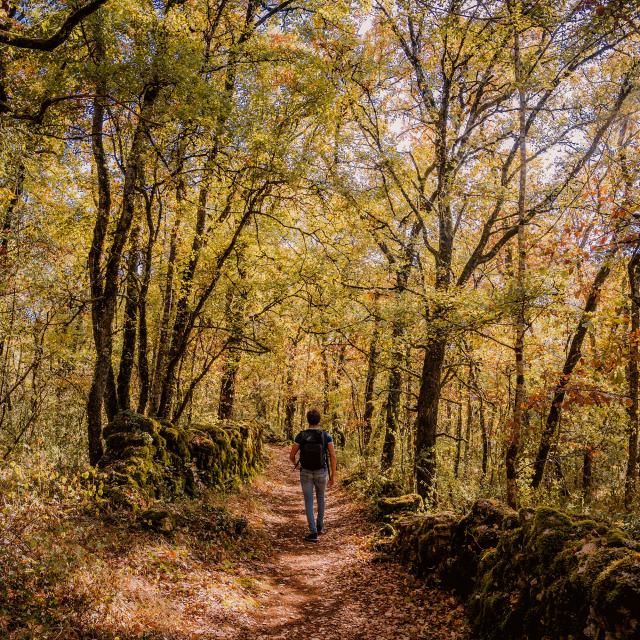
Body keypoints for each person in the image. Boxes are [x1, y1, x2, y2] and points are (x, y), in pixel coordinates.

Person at [289, 408, 337, 543]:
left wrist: (299, 467)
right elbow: (333, 457)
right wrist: (333, 475)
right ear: (319, 420)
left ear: (307, 420)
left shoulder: (301, 435)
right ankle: (320, 526)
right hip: (322, 471)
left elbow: (292, 456)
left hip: (306, 472)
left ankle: (313, 532)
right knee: (321, 497)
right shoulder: (326, 436)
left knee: (308, 501)